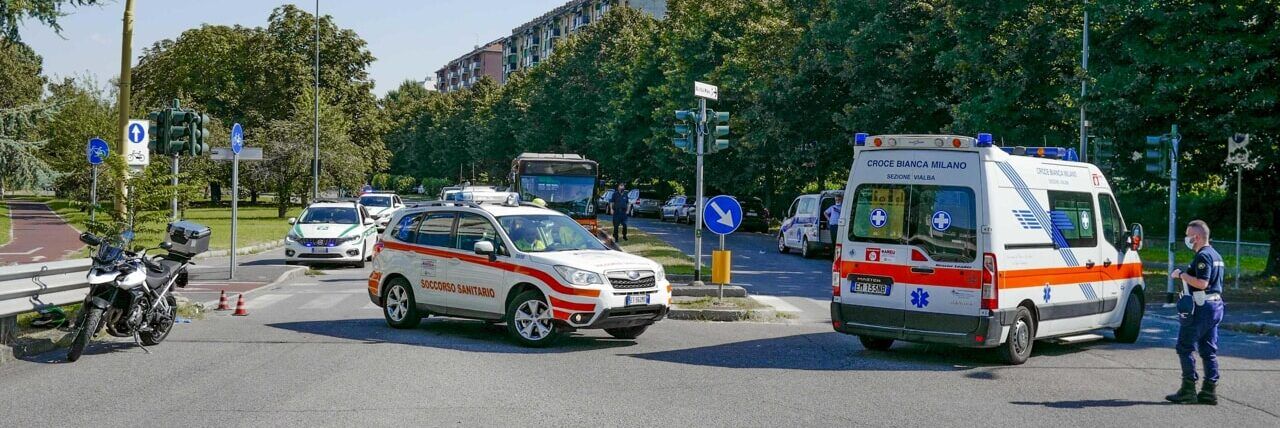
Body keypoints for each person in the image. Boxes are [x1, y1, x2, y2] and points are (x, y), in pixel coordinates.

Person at [1165, 219, 1225, 405]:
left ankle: (1188, 389)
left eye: (1188, 235)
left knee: (1184, 347)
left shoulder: (1203, 256)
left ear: (1196, 237)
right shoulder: (1216, 255)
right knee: (1208, 350)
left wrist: (1180, 275)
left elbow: (1202, 283)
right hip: (1216, 306)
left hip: (1202, 307)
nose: (1187, 239)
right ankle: (1209, 391)